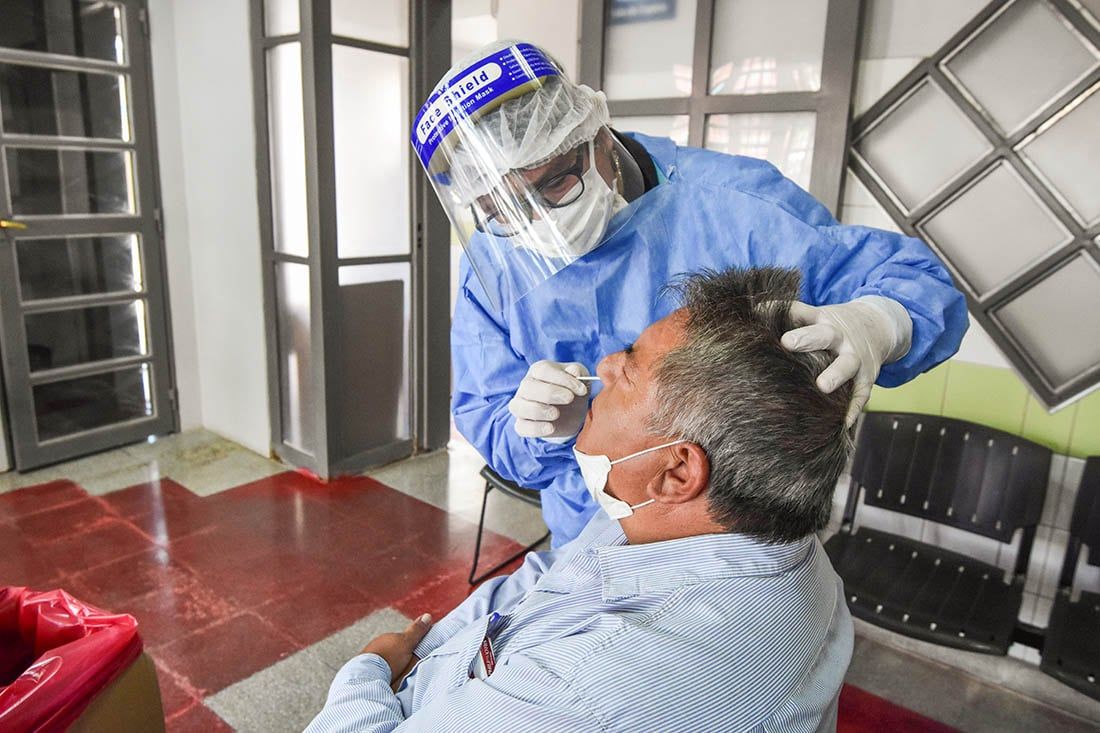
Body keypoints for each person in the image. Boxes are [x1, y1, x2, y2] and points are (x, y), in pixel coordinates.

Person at [413, 41, 968, 546]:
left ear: (597, 138)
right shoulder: (495, 259)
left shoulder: (735, 207)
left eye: (554, 182)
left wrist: (879, 319)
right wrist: (544, 431)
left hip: (745, 538)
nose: (540, 223)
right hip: (592, 537)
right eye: (501, 209)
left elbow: (917, 282)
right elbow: (491, 419)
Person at [306, 267, 856, 732]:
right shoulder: (719, 526)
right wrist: (433, 648)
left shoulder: (592, 688)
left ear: (679, 470)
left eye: (631, 369)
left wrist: (370, 666)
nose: (609, 361)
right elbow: (549, 578)